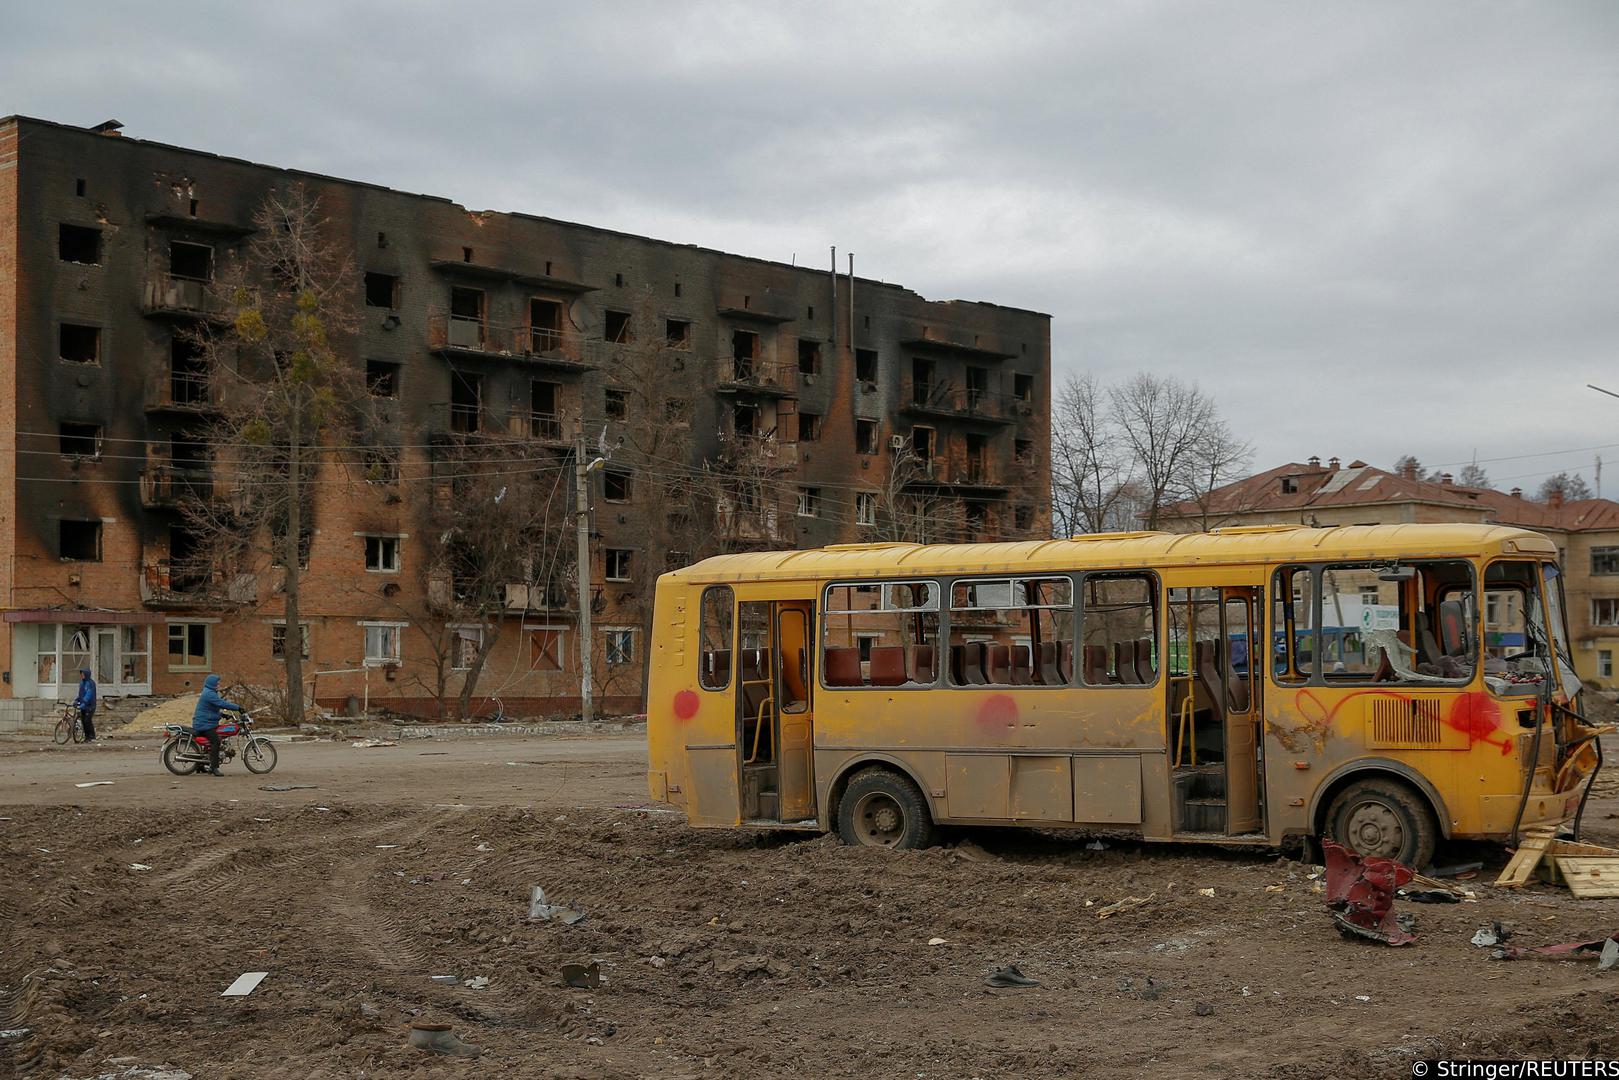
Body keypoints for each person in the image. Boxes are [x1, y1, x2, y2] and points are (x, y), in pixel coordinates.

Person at [191, 674, 242, 777]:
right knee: (216, 741)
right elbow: (221, 703)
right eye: (217, 683)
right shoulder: (209, 694)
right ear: (212, 683)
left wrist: (223, 715)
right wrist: (238, 708)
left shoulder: (208, 692)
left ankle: (200, 766)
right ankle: (214, 768)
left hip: (205, 722)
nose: (218, 684)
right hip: (204, 724)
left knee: (211, 741)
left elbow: (210, 710)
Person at [73, 668, 98, 742]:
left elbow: (89, 695)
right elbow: (81, 694)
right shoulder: (82, 683)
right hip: (83, 706)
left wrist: (83, 703)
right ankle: (88, 736)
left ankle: (91, 736)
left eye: (83, 674)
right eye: (81, 674)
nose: (82, 675)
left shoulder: (90, 683)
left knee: (87, 721)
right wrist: (77, 700)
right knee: (84, 721)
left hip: (90, 706)